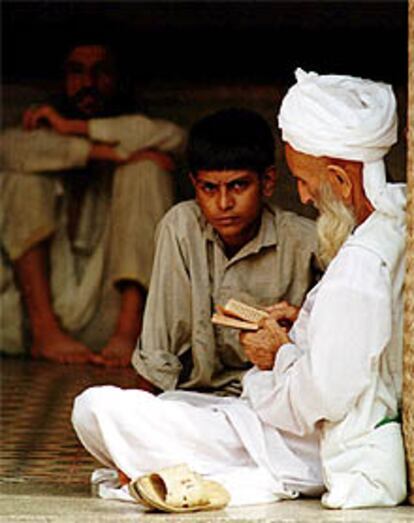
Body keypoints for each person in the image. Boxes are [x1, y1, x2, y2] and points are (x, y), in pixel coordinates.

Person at [72, 73, 407, 510]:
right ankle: (198, 464)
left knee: (95, 407)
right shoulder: (391, 227)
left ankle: (213, 472)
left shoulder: (358, 261)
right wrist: (300, 329)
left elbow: (322, 397)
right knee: (164, 404)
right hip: (274, 422)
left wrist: (278, 354)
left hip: (298, 442)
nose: (302, 196)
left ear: (341, 182)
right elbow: (341, 357)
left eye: (304, 181)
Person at [0, 41, 186, 366]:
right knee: (23, 179)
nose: (88, 84)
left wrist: (74, 127)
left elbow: (173, 137)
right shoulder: (35, 133)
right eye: (77, 72)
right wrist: (107, 153)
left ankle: (128, 335)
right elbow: (10, 150)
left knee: (146, 169)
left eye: (100, 72)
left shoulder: (132, 126)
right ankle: (46, 335)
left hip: (111, 309)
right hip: (38, 314)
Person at [130, 107, 318, 396]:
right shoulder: (181, 228)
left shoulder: (305, 241)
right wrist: (144, 417)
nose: (224, 203)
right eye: (209, 188)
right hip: (194, 402)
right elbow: (158, 350)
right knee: (96, 406)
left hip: (272, 401)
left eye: (238, 186)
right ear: (195, 185)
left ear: (267, 182)